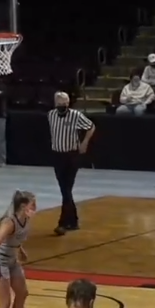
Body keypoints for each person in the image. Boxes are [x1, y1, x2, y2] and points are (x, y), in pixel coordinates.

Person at [47, 92, 95, 235]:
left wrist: (85, 142)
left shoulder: (75, 115)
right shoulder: (50, 115)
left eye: (65, 103)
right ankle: (73, 221)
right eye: (59, 103)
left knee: (66, 189)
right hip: (57, 155)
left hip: (71, 155)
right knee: (65, 190)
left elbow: (91, 126)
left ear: (68, 103)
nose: (62, 106)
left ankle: (62, 223)